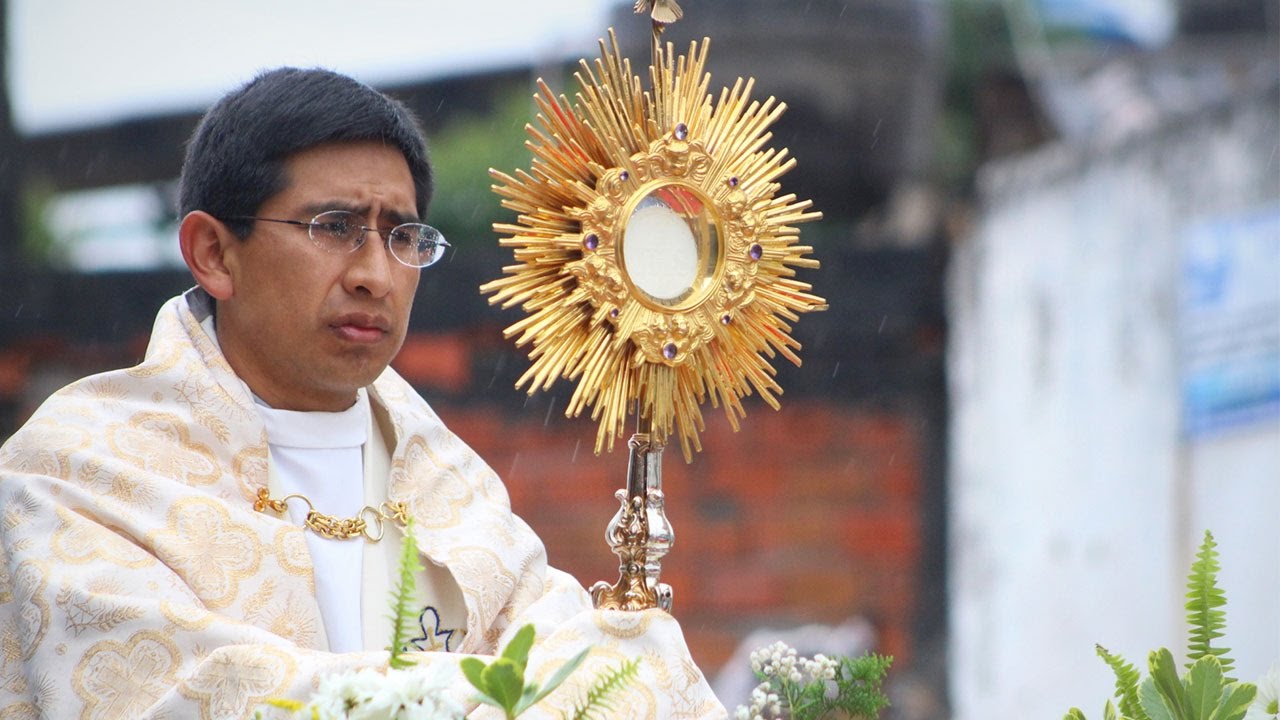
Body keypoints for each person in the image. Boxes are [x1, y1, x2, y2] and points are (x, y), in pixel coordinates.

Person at [0, 67, 725, 719]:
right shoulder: (76, 476)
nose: (376, 274)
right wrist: (495, 697)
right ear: (214, 254)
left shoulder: (447, 480)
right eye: (335, 227)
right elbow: (191, 693)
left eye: (402, 235)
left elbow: (601, 664)